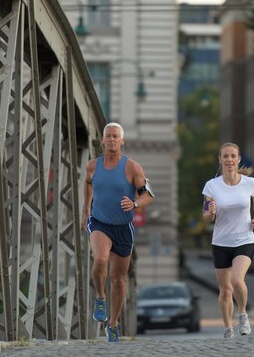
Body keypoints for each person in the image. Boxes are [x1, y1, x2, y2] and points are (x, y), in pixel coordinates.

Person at [82, 122, 155, 342]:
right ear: (102, 140)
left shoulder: (132, 167)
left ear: (122, 141)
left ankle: (112, 324)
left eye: (116, 136)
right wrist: (86, 209)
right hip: (99, 223)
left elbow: (148, 195)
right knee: (100, 260)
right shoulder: (92, 166)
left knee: (119, 280)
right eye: (108, 136)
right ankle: (100, 297)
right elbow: (87, 183)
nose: (112, 140)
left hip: (123, 228)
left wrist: (134, 204)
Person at [202, 142, 254, 338]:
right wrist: (210, 213)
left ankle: (243, 314)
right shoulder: (212, 186)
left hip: (244, 239)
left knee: (237, 280)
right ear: (220, 160)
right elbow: (205, 216)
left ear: (238, 160)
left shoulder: (250, 183)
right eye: (225, 156)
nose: (229, 160)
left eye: (232, 156)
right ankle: (228, 328)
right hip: (220, 243)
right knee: (225, 290)